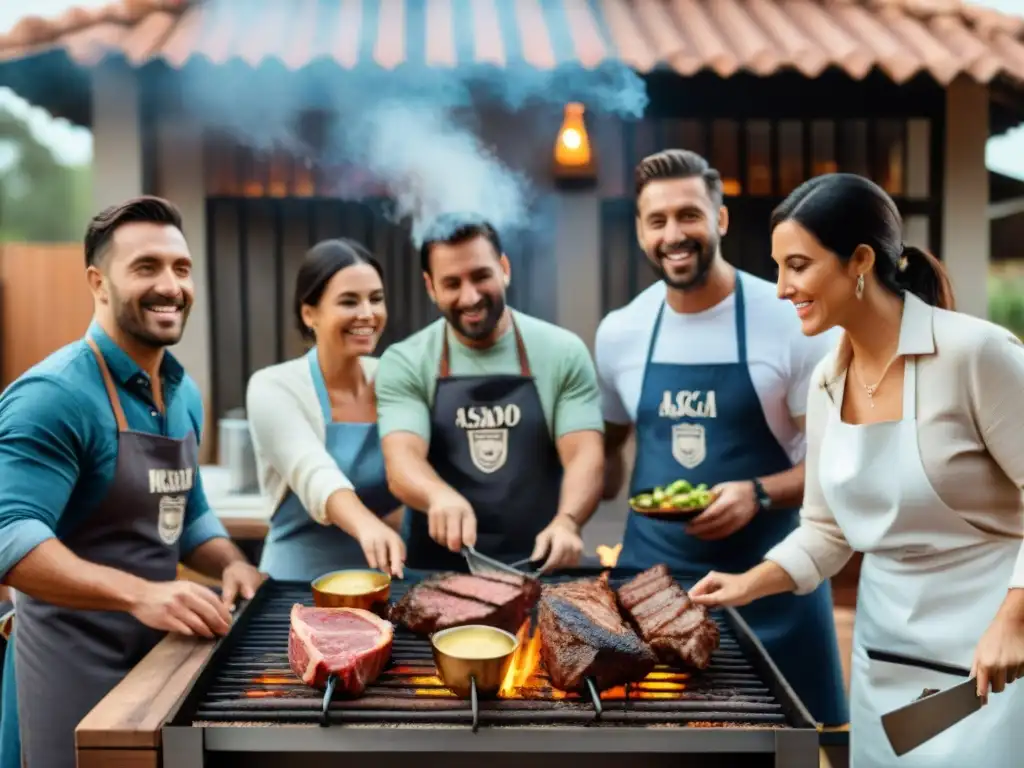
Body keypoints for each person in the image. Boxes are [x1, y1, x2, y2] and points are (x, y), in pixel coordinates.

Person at [689, 173, 1024, 766]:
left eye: (798, 265)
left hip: (991, 659)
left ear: (860, 261)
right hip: (887, 661)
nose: (781, 288)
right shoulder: (826, 380)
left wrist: (1015, 621)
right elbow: (826, 530)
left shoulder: (978, 354)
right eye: (777, 268)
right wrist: (748, 582)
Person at [0, 196, 264, 768]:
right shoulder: (54, 396)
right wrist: (141, 593)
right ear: (98, 282)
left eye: (181, 268)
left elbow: (187, 513)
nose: (171, 285)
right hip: (66, 670)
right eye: (146, 267)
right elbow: (9, 538)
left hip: (157, 666)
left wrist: (231, 563)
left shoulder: (182, 391)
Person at [595, 149, 848, 726]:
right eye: (656, 220)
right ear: (639, 230)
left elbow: (835, 464)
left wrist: (757, 492)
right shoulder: (620, 333)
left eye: (689, 215)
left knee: (790, 750)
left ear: (722, 220)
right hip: (652, 591)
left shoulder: (791, 319)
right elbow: (605, 450)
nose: (674, 234)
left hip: (770, 584)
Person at [374, 214, 604, 572]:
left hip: (538, 567)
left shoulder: (562, 352)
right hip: (436, 574)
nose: (470, 297)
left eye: (481, 276)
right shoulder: (406, 360)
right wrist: (437, 495)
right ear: (430, 287)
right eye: (452, 283)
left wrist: (569, 521)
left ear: (504, 269)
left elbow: (584, 455)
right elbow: (401, 461)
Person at [246, 239, 405, 581]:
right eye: (349, 301)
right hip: (296, 584)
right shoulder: (273, 386)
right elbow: (314, 473)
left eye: (375, 299)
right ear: (309, 313)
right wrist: (367, 526)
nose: (367, 313)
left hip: (387, 579)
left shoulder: (395, 379)